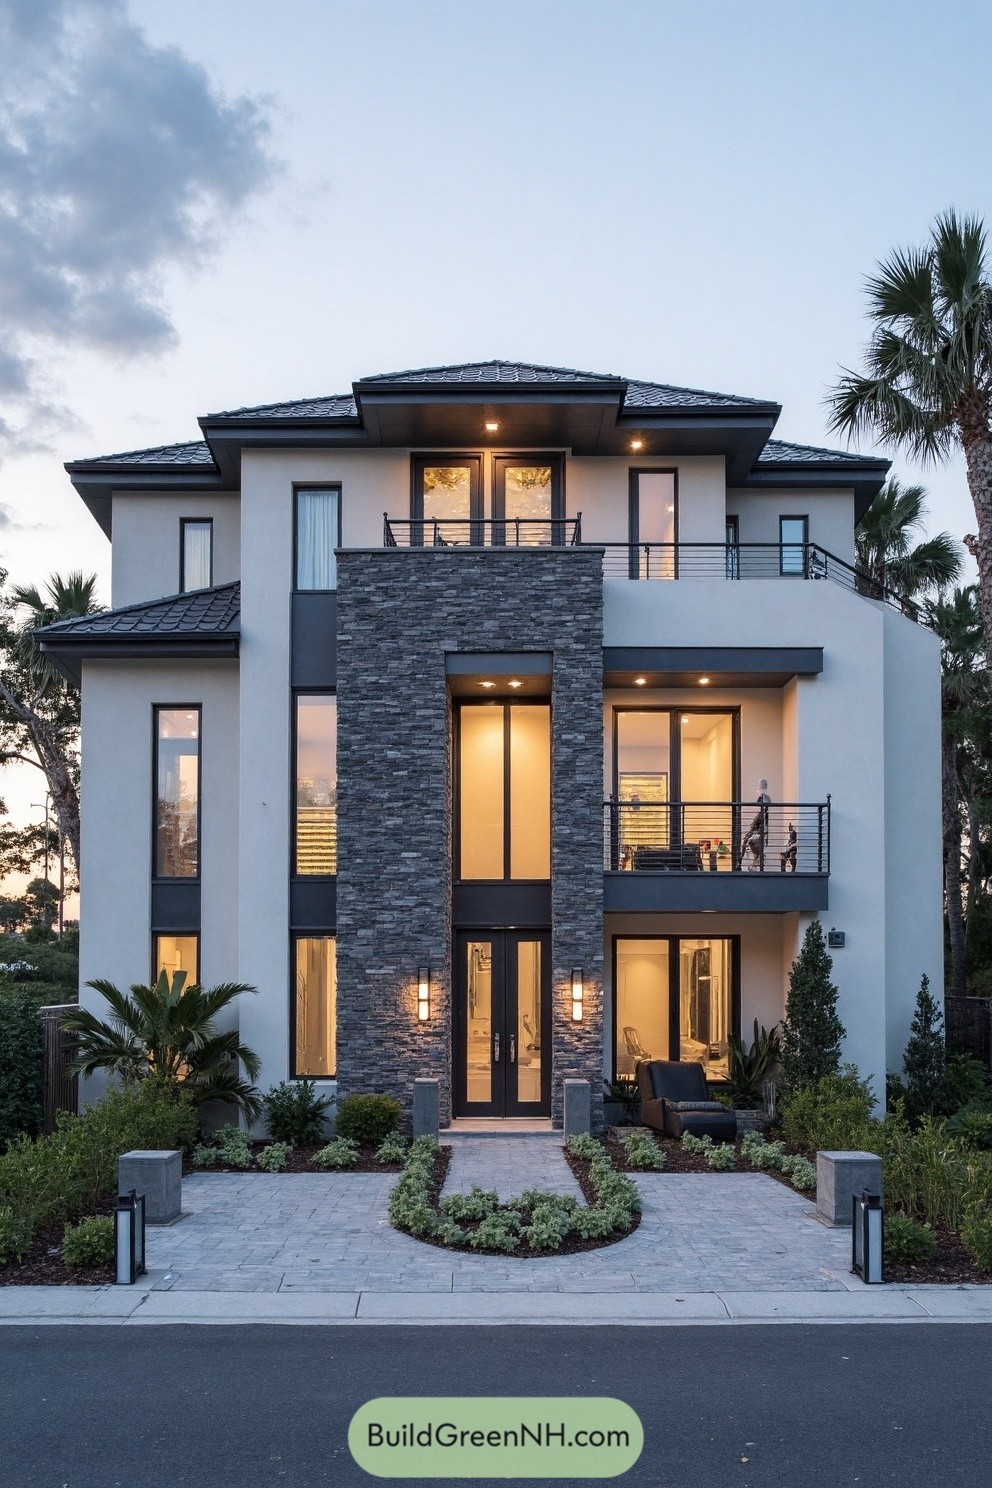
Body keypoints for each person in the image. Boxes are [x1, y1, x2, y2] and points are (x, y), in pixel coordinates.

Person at [740, 779, 771, 870]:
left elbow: (763, 814)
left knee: (749, 841)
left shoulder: (765, 799)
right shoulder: (763, 799)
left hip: (760, 829)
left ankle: (755, 858)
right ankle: (742, 857)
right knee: (746, 840)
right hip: (757, 828)